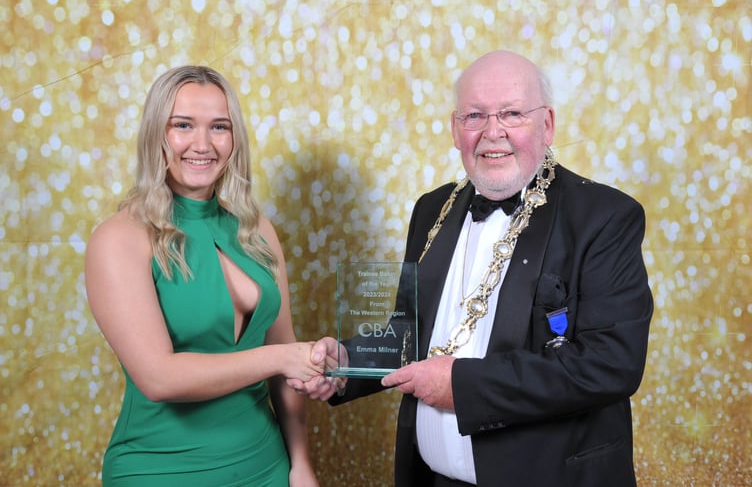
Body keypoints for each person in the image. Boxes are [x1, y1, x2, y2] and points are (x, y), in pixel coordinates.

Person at [289, 50, 653, 487]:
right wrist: (348, 363)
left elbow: (610, 364)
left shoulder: (604, 216)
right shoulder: (430, 209)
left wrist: (462, 386)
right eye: (475, 115)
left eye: (512, 114)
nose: (492, 132)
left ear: (548, 124)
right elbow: (409, 332)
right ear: (455, 129)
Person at [85, 65, 325, 486]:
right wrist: (285, 358)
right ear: (156, 135)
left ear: (235, 140)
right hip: (161, 470)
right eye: (182, 125)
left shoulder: (256, 230)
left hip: (266, 466)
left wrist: (300, 464)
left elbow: (287, 362)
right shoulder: (119, 238)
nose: (203, 144)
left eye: (219, 127)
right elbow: (159, 377)